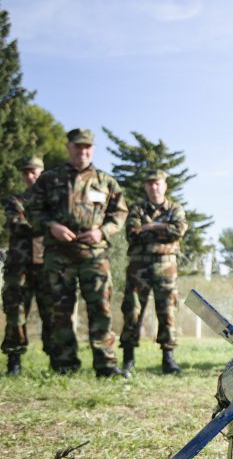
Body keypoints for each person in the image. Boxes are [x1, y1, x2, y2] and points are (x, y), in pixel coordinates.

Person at [27, 128, 128, 377]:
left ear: (92, 149)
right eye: (77, 146)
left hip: (95, 254)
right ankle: (64, 364)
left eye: (87, 147)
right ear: (68, 147)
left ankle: (105, 364)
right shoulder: (49, 179)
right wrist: (52, 226)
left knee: (101, 309)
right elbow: (32, 211)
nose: (83, 151)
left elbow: (120, 213)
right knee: (59, 310)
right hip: (59, 254)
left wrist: (102, 232)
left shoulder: (106, 181)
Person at [119, 169, 188, 375]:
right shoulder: (138, 208)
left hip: (166, 267)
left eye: (157, 183)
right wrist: (162, 229)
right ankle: (128, 359)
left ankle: (168, 359)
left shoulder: (175, 208)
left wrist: (150, 226)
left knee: (167, 312)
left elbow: (178, 230)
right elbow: (132, 233)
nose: (154, 187)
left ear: (165, 185)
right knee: (132, 311)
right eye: (150, 183)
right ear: (145, 187)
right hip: (138, 267)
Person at [2, 156, 52, 375]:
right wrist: (50, 225)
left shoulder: (54, 201)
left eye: (34, 171)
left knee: (52, 313)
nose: (30, 176)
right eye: (26, 172)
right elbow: (15, 224)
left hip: (47, 264)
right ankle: (14, 360)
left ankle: (56, 360)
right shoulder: (15, 200)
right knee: (16, 312)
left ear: (43, 173)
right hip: (19, 265)